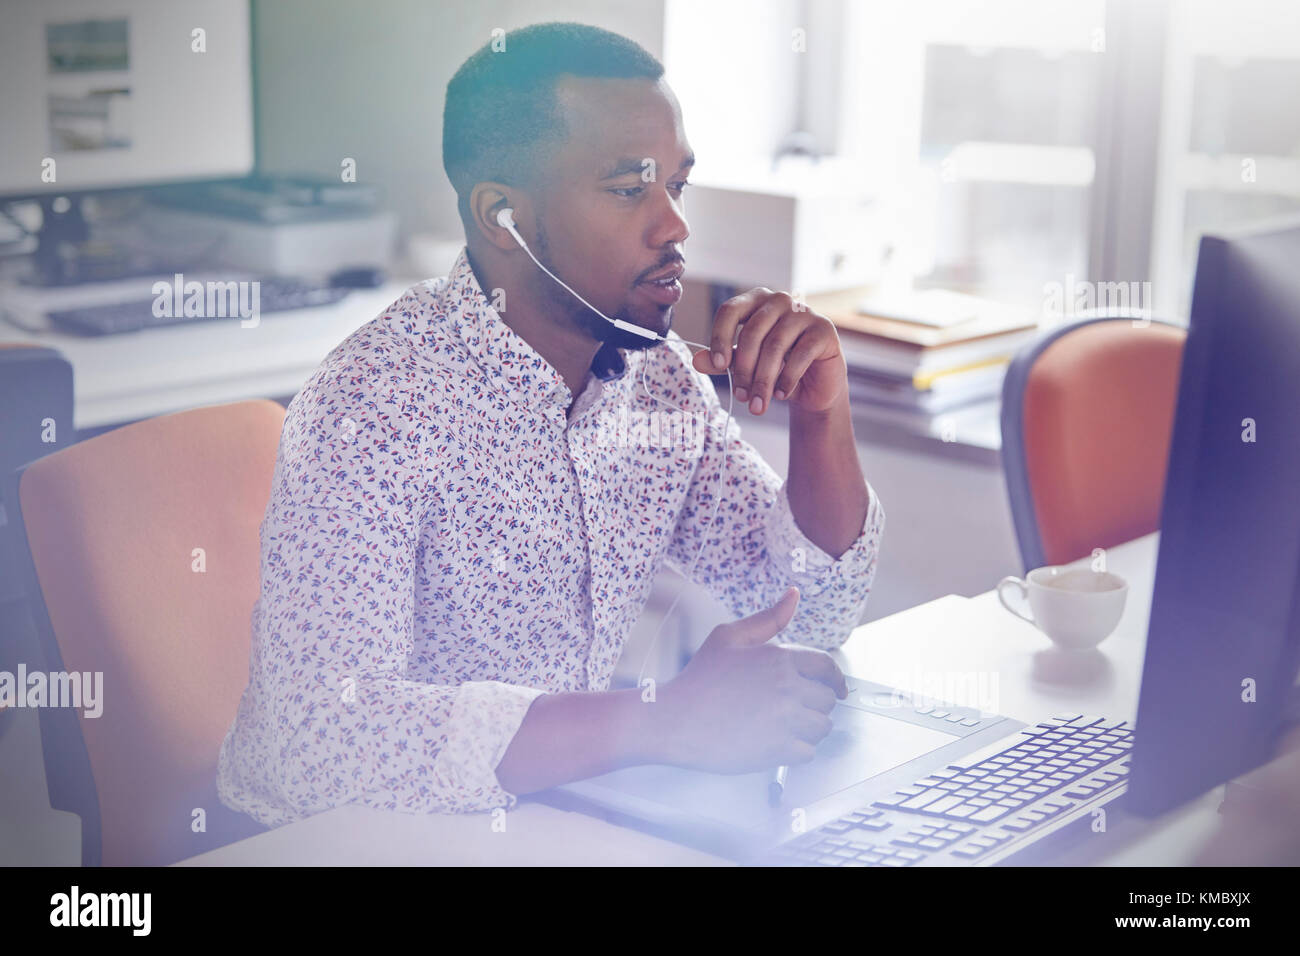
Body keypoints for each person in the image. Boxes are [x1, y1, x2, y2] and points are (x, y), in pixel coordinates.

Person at [217, 21, 884, 826]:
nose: (674, 225)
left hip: (539, 821)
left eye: (679, 185)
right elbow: (322, 742)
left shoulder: (659, 379)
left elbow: (808, 610)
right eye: (630, 189)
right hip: (346, 841)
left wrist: (822, 416)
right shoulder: (376, 404)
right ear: (503, 217)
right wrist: (660, 721)